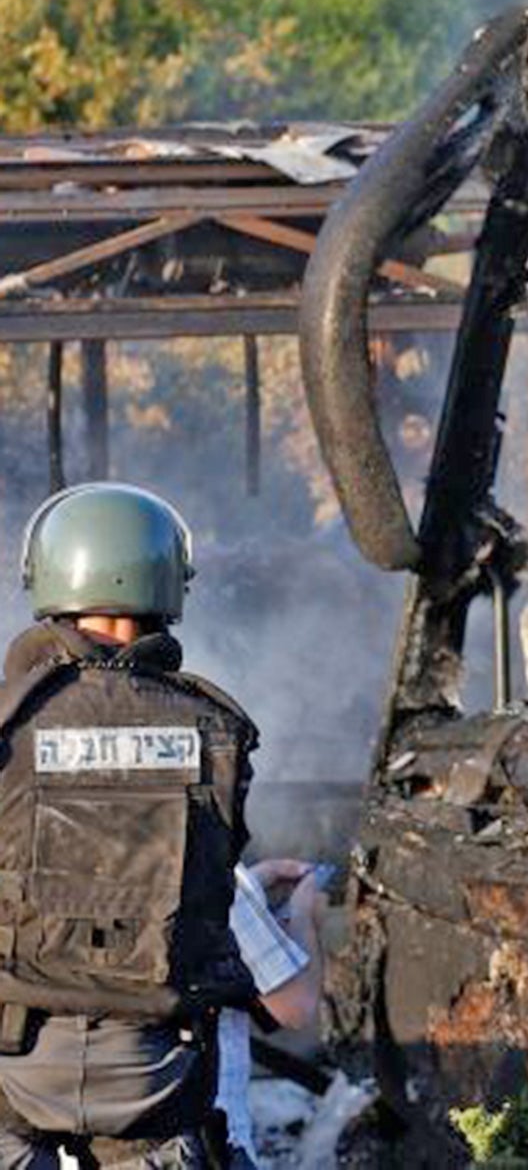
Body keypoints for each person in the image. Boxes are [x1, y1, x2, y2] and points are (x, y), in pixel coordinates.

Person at [0, 484, 258, 1168]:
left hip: (11, 1058)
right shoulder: (217, 728)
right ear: (168, 585)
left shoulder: (7, 722)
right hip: (155, 1064)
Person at [214, 860, 325, 1170]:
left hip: (93, 1132)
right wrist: (301, 917)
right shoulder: (208, 865)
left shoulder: (85, 853)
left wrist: (249, 891)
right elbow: (295, 1006)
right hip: (202, 1139)